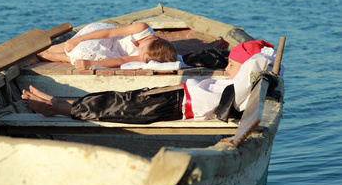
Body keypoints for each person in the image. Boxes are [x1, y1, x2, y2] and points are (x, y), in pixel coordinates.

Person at [21, 40, 276, 124]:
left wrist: (264, 55)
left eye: (232, 65)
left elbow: (258, 63)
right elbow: (257, 62)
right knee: (113, 97)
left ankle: (55, 108)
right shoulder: (245, 77)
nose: (227, 69)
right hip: (175, 93)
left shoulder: (247, 80)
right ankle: (60, 101)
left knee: (113, 107)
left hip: (174, 105)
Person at [37, 22, 178, 69]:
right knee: (71, 46)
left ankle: (60, 58)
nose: (139, 51)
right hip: (107, 38)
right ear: (155, 39)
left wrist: (90, 63)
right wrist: (78, 38)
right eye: (141, 48)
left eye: (141, 54)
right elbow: (108, 33)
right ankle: (49, 50)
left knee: (83, 55)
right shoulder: (142, 28)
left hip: (111, 52)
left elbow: (121, 60)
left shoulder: (145, 56)